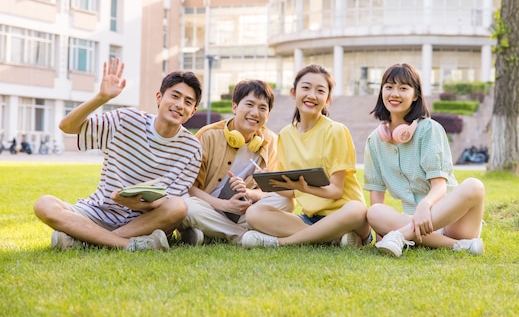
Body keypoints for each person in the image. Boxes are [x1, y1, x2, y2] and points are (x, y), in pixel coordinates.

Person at [33, 58, 203, 252]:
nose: (180, 105)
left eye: (188, 102)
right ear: (159, 97)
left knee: (178, 207)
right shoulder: (126, 120)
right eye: (175, 96)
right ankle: (129, 245)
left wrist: (139, 205)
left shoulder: (192, 148)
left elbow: (169, 202)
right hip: (97, 212)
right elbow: (67, 127)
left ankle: (85, 239)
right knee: (44, 204)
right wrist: (101, 97)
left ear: (192, 112)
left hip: (142, 221)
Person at [241, 64, 371, 248]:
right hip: (311, 220)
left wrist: (304, 187)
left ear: (327, 99)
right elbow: (292, 190)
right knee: (254, 213)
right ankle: (331, 238)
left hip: (346, 216)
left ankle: (281, 242)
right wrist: (270, 181)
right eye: (306, 88)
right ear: (294, 93)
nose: (312, 95)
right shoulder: (286, 135)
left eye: (320, 91)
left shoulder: (336, 131)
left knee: (356, 209)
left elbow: (336, 191)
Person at [364, 63, 485, 257]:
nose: (394, 93)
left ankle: (402, 236)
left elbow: (440, 186)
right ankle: (459, 246)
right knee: (374, 211)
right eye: (389, 87)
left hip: (452, 221)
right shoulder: (375, 141)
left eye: (403, 88)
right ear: (381, 92)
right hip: (412, 220)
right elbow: (376, 193)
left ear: (416, 95)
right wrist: (380, 234)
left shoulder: (429, 129)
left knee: (474, 185)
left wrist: (424, 206)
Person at [178, 79, 295, 245]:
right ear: (234, 107)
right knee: (187, 208)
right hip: (209, 208)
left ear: (268, 115)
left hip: (245, 212)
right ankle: (245, 237)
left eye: (262, 108)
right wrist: (225, 205)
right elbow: (189, 188)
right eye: (249, 104)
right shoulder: (208, 135)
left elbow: (272, 193)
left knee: (286, 201)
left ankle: (212, 233)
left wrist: (250, 194)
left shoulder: (271, 141)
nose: (255, 113)